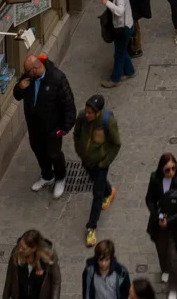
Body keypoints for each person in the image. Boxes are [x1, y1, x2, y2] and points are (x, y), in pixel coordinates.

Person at [13, 55, 77, 199]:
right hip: (34, 127)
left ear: (35, 69)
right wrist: (20, 87)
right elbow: (17, 95)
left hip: (52, 129)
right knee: (39, 152)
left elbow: (68, 105)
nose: (26, 74)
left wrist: (65, 128)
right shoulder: (28, 77)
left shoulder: (57, 79)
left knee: (54, 154)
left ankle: (60, 178)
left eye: (28, 72)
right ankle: (47, 176)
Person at [144, 152, 177, 299]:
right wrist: (158, 216)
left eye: (173, 168)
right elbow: (149, 199)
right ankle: (164, 269)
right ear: (161, 169)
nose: (171, 172)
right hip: (159, 223)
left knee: (174, 256)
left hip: (176, 225)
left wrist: (170, 220)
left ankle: (173, 288)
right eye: (167, 169)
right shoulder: (155, 179)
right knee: (161, 249)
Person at [75, 95, 121, 248]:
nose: (87, 114)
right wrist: (80, 151)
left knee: (97, 194)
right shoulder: (81, 117)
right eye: (86, 111)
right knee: (97, 182)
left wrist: (105, 162)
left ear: (98, 113)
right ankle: (109, 191)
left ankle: (91, 227)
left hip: (100, 163)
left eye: (90, 113)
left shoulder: (107, 123)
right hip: (86, 161)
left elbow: (116, 144)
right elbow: (76, 134)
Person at [101, 0, 136, 87]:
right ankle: (130, 71)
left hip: (123, 29)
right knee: (122, 50)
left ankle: (115, 79)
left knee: (119, 54)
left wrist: (107, 3)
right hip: (124, 27)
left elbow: (120, 11)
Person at [3, 230, 59, 299]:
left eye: (24, 249)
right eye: (20, 246)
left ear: (34, 248)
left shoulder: (49, 256)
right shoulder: (16, 253)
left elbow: (56, 282)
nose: (20, 250)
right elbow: (9, 277)